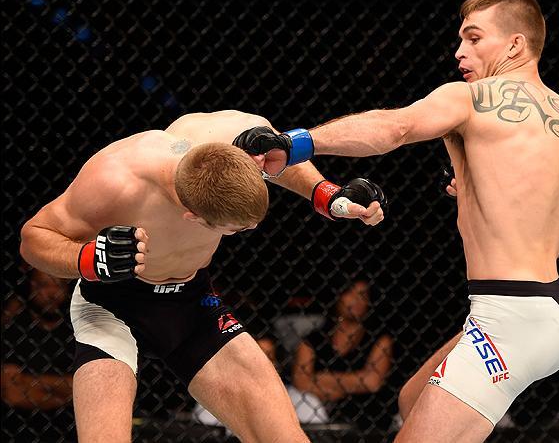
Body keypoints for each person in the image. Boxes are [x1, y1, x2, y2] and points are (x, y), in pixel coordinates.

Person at [233, 0, 559, 441]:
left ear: (515, 44)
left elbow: (395, 127)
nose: (459, 50)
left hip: (511, 315)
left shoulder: (471, 98)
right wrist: (489, 198)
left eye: (474, 38)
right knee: (412, 400)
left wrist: (294, 143)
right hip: (552, 310)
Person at [19, 109, 386, 442]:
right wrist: (87, 259)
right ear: (193, 217)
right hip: (111, 307)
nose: (245, 232)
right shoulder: (116, 179)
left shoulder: (237, 135)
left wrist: (327, 195)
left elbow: (281, 155)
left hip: (192, 303)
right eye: (234, 230)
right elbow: (34, 239)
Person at [291, 280, 393, 430]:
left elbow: (372, 382)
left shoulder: (379, 338)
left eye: (363, 295)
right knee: (303, 401)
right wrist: (353, 382)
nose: (357, 300)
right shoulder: (314, 339)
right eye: (350, 293)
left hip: (367, 416)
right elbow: (300, 381)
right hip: (320, 412)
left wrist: (321, 378)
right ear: (338, 296)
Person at [2, 268, 76, 442]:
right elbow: (14, 394)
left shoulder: (75, 332)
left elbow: (84, 387)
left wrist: (30, 382)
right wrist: (63, 394)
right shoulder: (15, 330)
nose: (51, 293)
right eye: (44, 285)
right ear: (31, 287)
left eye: (58, 286)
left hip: (67, 429)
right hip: (18, 430)